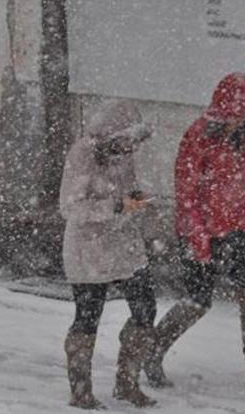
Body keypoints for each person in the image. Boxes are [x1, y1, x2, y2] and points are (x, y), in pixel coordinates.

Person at [143, 73, 245, 396]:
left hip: (237, 229)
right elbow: (187, 194)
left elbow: (242, 190)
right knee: (197, 301)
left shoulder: (243, 140)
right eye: (242, 114)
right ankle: (151, 350)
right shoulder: (197, 137)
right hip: (202, 232)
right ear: (227, 112)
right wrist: (199, 240)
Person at [59, 101, 158, 409]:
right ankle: (80, 391)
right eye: (127, 140)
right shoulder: (83, 154)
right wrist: (116, 207)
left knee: (145, 309)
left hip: (124, 245)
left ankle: (127, 383)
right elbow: (71, 207)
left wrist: (136, 200)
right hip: (89, 249)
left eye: (134, 141)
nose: (131, 148)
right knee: (88, 318)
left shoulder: (122, 154)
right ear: (112, 134)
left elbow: (128, 189)